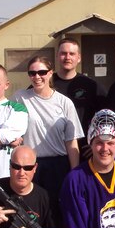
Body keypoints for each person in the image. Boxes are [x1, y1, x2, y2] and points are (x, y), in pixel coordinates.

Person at [14, 56, 84, 213]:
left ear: (51, 73)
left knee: (56, 211)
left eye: (42, 72)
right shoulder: (20, 98)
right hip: (31, 166)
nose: (37, 77)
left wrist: (75, 175)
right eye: (32, 73)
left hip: (58, 166)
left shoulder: (64, 103)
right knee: (31, 212)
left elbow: (71, 143)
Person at [52, 37, 107, 158]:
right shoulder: (47, 84)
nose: (67, 57)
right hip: (53, 150)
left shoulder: (91, 85)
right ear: (57, 56)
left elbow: (107, 116)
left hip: (84, 151)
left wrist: (97, 141)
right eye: (63, 53)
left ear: (79, 58)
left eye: (72, 54)